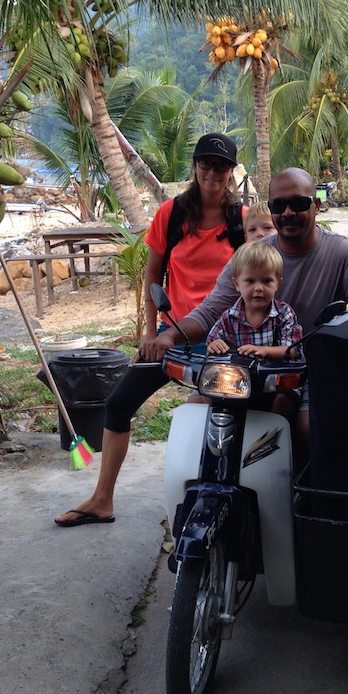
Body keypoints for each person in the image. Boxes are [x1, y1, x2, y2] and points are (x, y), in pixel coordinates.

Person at [57, 166, 348, 528]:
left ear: (316, 205)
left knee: (306, 429)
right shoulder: (251, 256)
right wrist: (169, 335)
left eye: (299, 203)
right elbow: (213, 308)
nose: (289, 212)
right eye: (280, 204)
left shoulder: (342, 252)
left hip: (302, 372)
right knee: (195, 415)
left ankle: (307, 510)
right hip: (244, 374)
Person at [54, 132, 244, 528]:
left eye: (222, 166)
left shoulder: (241, 222)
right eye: (206, 164)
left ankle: (218, 504)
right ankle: (102, 499)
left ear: (231, 172)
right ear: (194, 166)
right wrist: (150, 332)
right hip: (172, 336)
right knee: (118, 403)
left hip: (221, 341)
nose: (213, 172)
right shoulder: (172, 214)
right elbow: (153, 274)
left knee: (218, 417)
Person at [204, 241, 303, 420]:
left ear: (278, 283)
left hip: (275, 384)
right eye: (250, 281)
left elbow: (291, 350)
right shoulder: (229, 317)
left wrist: (263, 351)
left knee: (286, 401)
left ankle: (272, 441)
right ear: (236, 284)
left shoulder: (284, 313)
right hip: (237, 385)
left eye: (266, 281)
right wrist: (215, 345)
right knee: (206, 396)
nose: (258, 288)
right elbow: (212, 341)